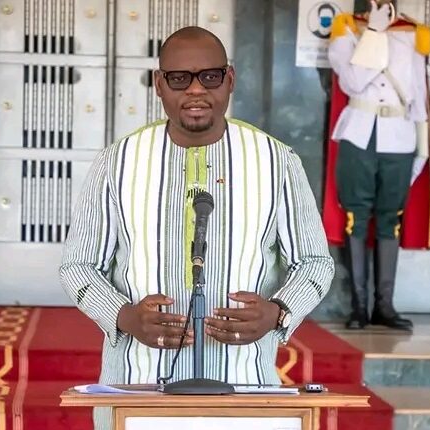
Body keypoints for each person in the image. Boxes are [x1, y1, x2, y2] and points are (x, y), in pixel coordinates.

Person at [59, 26, 335, 430]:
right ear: (159, 84)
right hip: (136, 388)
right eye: (179, 78)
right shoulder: (118, 161)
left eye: (210, 76)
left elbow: (314, 262)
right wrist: (124, 317)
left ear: (230, 79)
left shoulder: (276, 161)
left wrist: (277, 313)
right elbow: (79, 265)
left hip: (245, 388)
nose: (195, 90)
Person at [326, 0, 430, 331]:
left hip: (400, 137)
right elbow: (353, 82)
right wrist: (373, 31)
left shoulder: (412, 33)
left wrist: (423, 147)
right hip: (360, 135)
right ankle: (359, 307)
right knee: (356, 217)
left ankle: (384, 307)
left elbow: (419, 92)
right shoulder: (347, 29)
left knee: (391, 219)